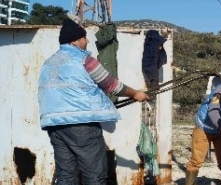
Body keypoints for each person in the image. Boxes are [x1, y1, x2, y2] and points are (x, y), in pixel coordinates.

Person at [38, 18, 150, 184]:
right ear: (75, 41)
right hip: (81, 125)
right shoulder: (84, 59)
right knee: (95, 175)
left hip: (54, 126)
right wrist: (135, 94)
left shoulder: (48, 63)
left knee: (66, 175)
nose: (88, 40)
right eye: (84, 37)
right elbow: (111, 85)